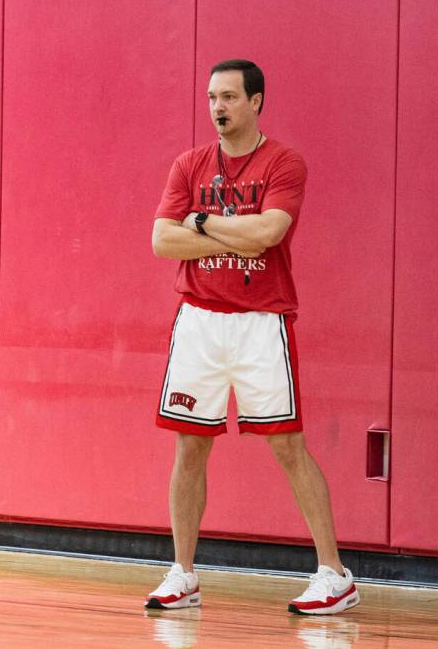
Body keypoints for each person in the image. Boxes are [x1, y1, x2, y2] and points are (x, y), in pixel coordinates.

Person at [147, 59, 360, 615]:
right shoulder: (189, 163)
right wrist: (216, 231)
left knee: (288, 445)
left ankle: (335, 575)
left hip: (261, 320)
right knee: (189, 446)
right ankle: (183, 574)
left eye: (230, 97)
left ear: (257, 101)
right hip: (198, 319)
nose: (218, 107)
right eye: (212, 97)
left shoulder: (284, 161)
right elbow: (162, 242)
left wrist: (198, 221)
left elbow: (268, 233)